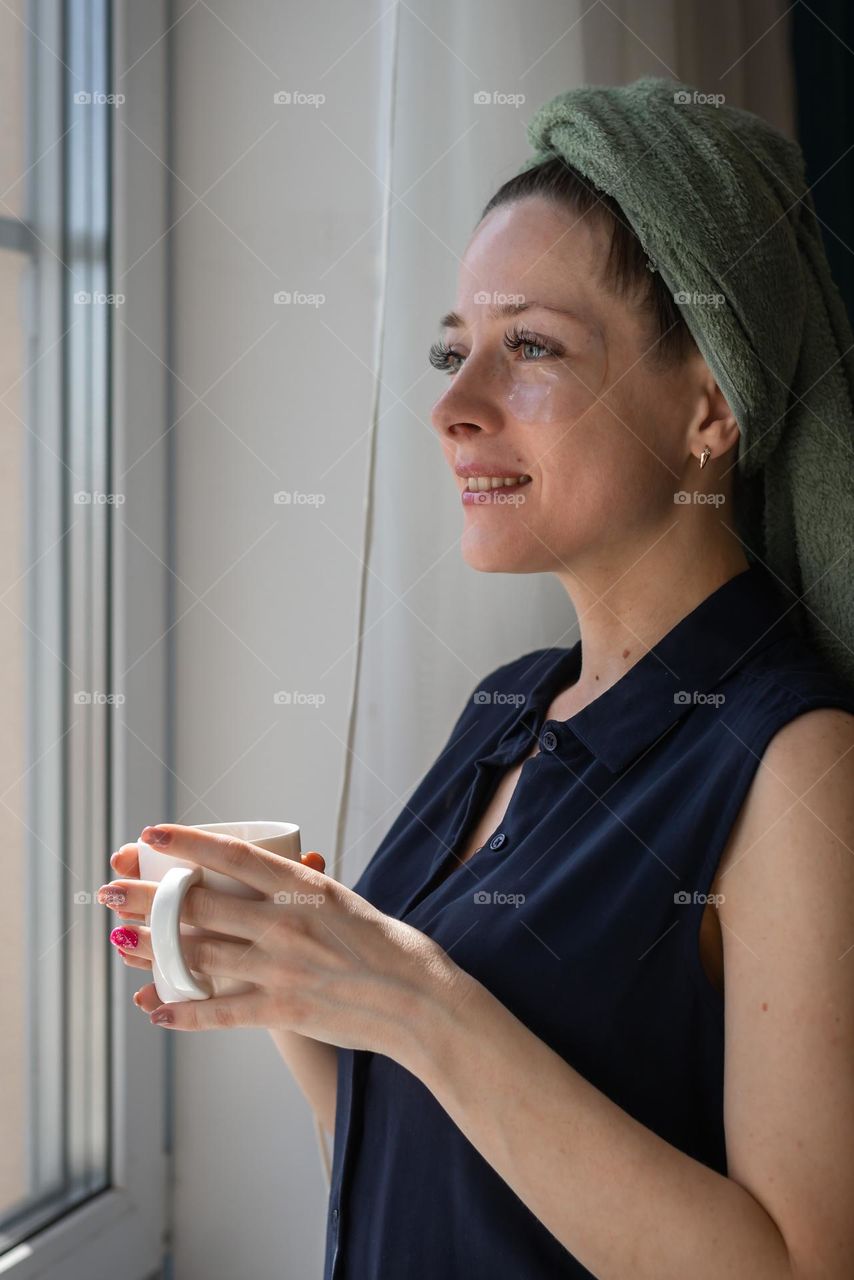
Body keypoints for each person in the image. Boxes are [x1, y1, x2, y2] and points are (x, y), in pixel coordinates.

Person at [102, 83, 854, 1279]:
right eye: (454, 351)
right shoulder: (510, 705)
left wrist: (410, 993)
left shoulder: (793, 760)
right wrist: (295, 962)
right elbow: (407, 1152)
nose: (453, 408)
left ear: (711, 402)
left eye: (532, 348)